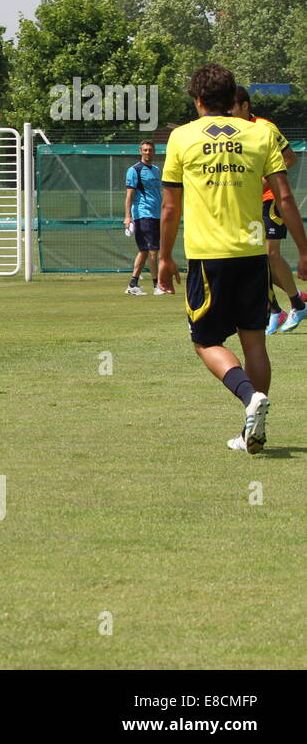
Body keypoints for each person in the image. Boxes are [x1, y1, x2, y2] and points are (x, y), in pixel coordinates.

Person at [157, 64, 307, 454]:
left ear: (197, 98)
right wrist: (305, 251)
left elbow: (170, 208)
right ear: (234, 97)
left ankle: (248, 399)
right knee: (254, 341)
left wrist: (164, 258)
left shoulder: (181, 138)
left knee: (205, 340)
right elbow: (286, 198)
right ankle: (251, 429)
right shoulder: (259, 133)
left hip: (208, 257)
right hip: (254, 254)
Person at [231, 87, 304, 333]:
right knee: (253, 260)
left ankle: (295, 303)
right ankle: (276, 309)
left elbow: (290, 158)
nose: (229, 112)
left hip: (270, 198)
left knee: (271, 254)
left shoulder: (265, 128)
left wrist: (260, 182)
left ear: (245, 106)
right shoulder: (231, 132)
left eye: (233, 107)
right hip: (246, 202)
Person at [124, 140, 165, 295]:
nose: (148, 153)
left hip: (156, 214)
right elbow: (129, 195)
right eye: (145, 150)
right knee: (153, 250)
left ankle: (133, 285)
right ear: (140, 151)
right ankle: (157, 286)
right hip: (143, 214)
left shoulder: (156, 170)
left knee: (144, 251)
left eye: (150, 150)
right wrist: (128, 217)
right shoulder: (134, 170)